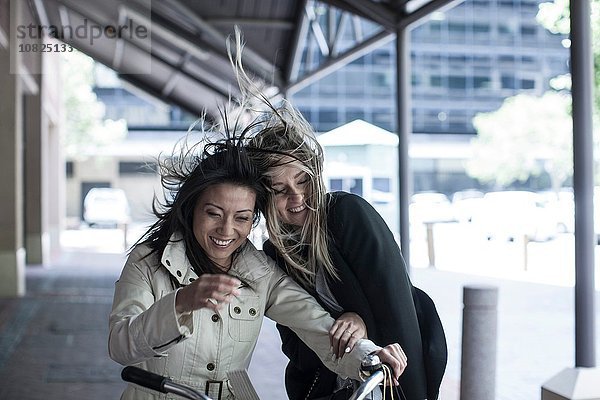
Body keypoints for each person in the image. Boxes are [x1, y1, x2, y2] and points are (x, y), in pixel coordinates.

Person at [108, 124, 408, 400]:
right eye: (214, 213)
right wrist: (182, 302)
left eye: (242, 218)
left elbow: (317, 326)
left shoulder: (260, 271)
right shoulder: (148, 260)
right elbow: (120, 344)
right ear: (191, 209)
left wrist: (370, 356)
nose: (227, 230)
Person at [248, 103, 448, 400]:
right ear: (265, 197)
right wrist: (339, 325)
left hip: (395, 376)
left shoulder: (348, 215)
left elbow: (399, 316)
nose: (297, 196)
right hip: (335, 388)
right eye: (279, 189)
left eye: (302, 180)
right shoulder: (274, 254)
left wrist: (361, 322)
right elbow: (294, 344)